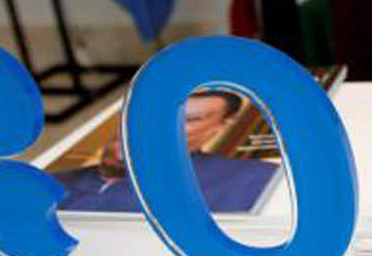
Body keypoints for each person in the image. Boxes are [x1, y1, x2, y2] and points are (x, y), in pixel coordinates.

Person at [53, 90, 279, 212]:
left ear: (221, 126)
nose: (163, 127)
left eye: (189, 120)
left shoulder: (251, 178)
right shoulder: (55, 181)